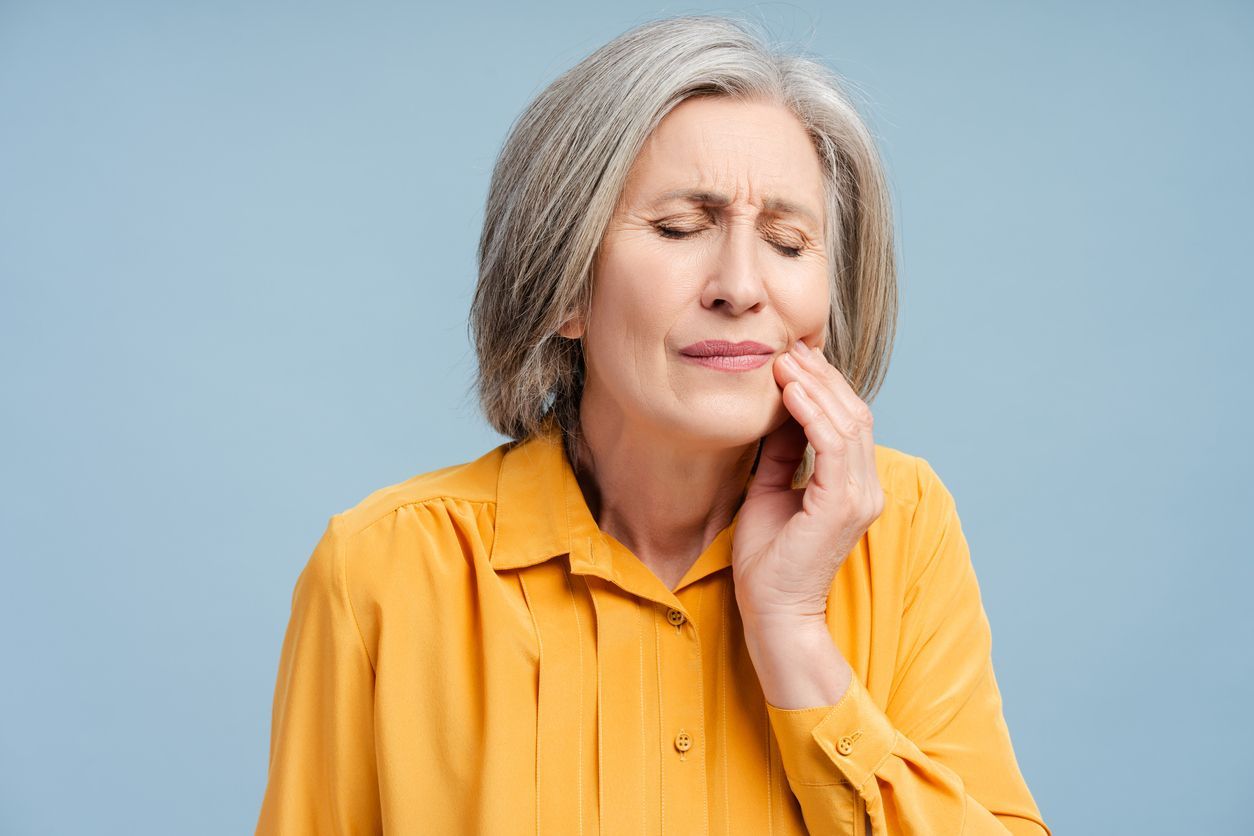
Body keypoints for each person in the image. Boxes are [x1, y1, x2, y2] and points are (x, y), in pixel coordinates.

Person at [255, 14, 1050, 835]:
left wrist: (794, 635)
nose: (740, 286)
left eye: (786, 241)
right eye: (680, 228)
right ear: (563, 284)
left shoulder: (903, 527)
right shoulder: (381, 571)